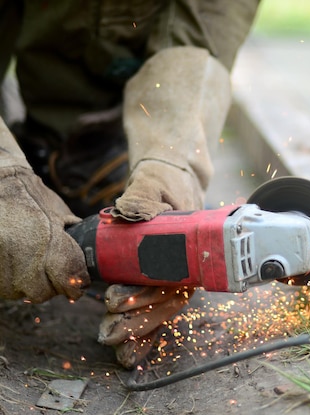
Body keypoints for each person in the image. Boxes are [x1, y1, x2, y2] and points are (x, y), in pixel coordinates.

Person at [0, 0, 260, 368]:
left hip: (113, 124)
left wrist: (170, 166)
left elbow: (205, 25)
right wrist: (5, 177)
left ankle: (83, 153)